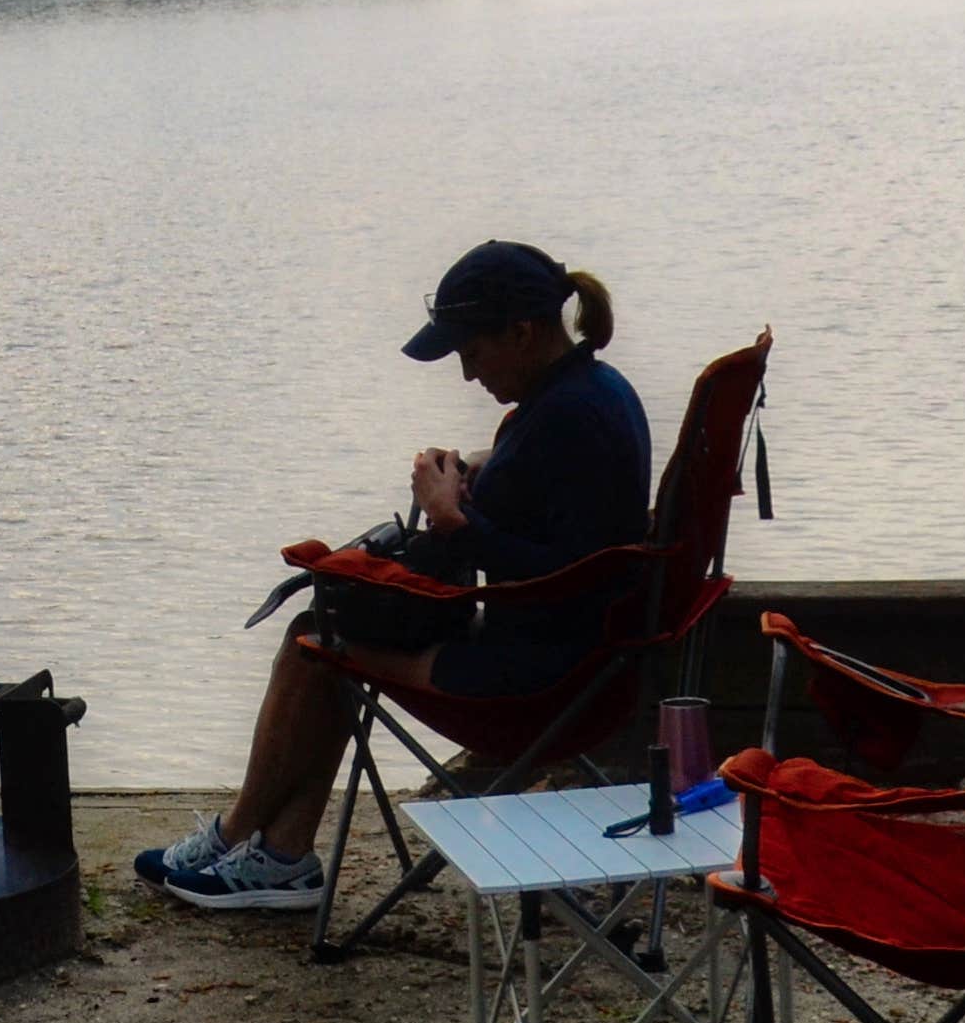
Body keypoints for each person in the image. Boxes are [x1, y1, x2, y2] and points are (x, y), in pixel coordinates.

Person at [135, 238, 654, 911]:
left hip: (539, 680)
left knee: (312, 645)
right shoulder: (586, 391)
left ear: (522, 332)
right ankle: (280, 855)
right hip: (580, 656)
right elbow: (563, 522)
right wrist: (476, 477)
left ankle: (240, 836)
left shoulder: (569, 416)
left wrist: (454, 521)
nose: (469, 374)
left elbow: (571, 571)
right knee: (325, 635)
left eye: (472, 352)